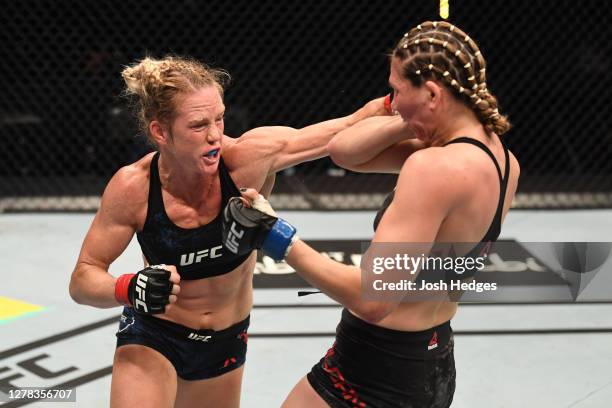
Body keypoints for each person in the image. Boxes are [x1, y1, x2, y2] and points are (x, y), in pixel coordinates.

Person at [221, 21, 520, 407]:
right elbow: (345, 150)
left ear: (432, 92)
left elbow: (373, 299)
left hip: (377, 368)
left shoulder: (433, 168)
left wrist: (277, 236)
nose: (391, 101)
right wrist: (404, 115)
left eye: (397, 90)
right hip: (431, 356)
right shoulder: (501, 160)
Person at [68, 55, 387, 408]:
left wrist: (401, 101)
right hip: (154, 336)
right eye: (198, 125)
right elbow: (82, 279)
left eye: (219, 118)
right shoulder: (134, 188)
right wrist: (127, 287)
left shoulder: (249, 160)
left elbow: (350, 125)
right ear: (160, 132)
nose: (215, 135)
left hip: (224, 342)